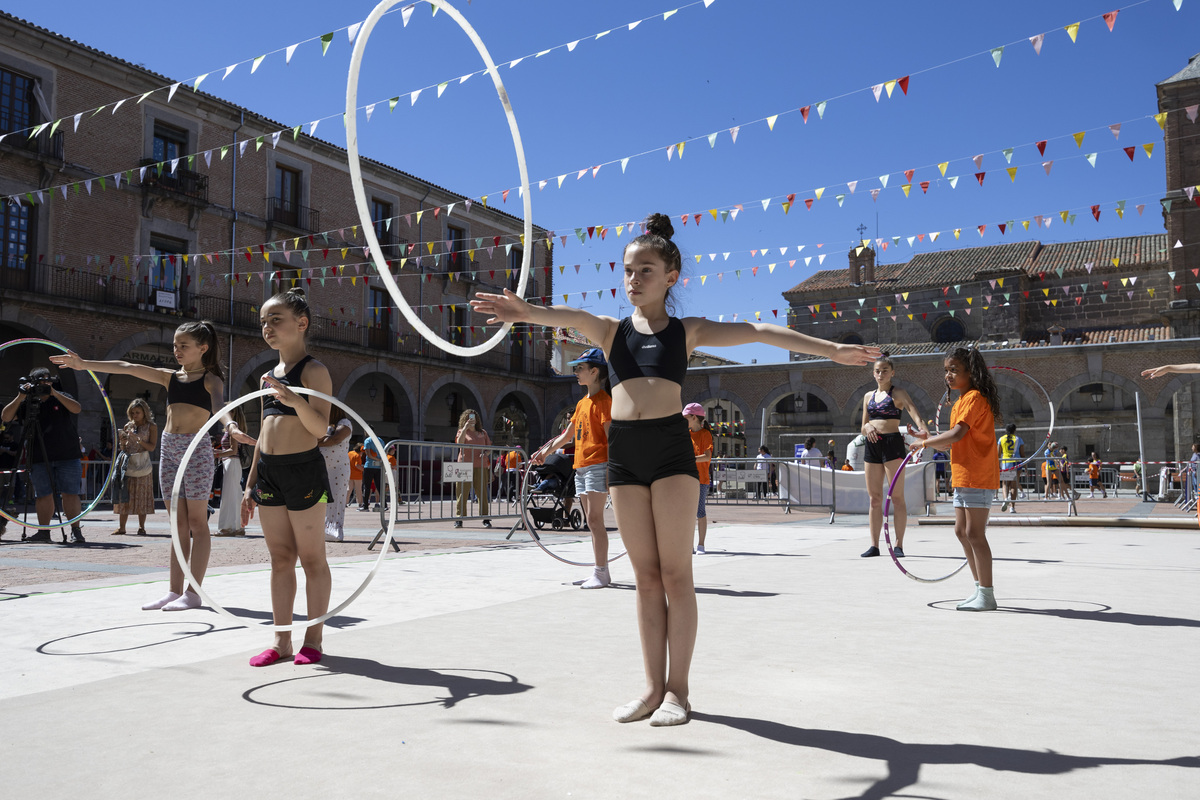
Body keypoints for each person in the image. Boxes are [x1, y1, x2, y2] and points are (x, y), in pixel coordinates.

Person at [471, 212, 878, 726]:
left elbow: (761, 331)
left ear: (671, 277)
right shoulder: (608, 330)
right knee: (643, 577)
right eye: (627, 270)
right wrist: (524, 309)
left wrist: (832, 349)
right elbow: (562, 316)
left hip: (669, 452)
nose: (633, 279)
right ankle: (650, 688)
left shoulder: (688, 331)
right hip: (623, 453)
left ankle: (678, 693)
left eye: (645, 270)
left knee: (674, 573)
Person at [52, 322, 236, 608]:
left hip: (196, 449)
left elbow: (219, 407)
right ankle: (174, 591)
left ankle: (194, 592)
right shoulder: (169, 377)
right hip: (171, 447)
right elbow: (127, 366)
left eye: (183, 346)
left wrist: (231, 426)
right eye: (175, 345)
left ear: (203, 348)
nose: (177, 351)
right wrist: (82, 363)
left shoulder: (211, 379)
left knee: (197, 522)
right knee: (178, 524)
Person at [238, 288, 334, 667]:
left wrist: (295, 399)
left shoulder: (313, 371)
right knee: (280, 559)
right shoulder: (269, 376)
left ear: (301, 324)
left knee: (312, 559)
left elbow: (320, 429)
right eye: (263, 321)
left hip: (304, 469)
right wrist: (250, 483)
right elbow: (264, 433)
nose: (267, 328)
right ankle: (281, 642)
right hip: (270, 474)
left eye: (275, 320)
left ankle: (314, 638)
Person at [910, 347, 1002, 611]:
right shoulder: (959, 402)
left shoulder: (974, 398)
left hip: (977, 474)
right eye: (946, 371)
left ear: (970, 373)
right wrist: (926, 440)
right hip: (963, 474)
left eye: (954, 370)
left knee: (974, 533)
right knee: (961, 531)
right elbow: (950, 443)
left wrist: (925, 442)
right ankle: (979, 589)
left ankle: (987, 593)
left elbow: (956, 435)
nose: (948, 376)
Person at [532, 347, 613, 588]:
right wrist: (544, 452)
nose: (576, 372)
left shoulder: (605, 402)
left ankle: (601, 572)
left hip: (598, 465)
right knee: (591, 520)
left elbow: (612, 439)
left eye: (580, 368)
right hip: (581, 466)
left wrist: (611, 470)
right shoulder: (582, 404)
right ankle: (599, 571)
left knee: (596, 520)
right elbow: (568, 435)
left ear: (595, 371)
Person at [1, 367, 85, 543]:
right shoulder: (28, 402)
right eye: (41, 382)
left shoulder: (61, 396)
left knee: (70, 493)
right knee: (43, 494)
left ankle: (75, 530)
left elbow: (76, 409)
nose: (45, 385)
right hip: (39, 455)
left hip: (67, 454)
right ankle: (44, 532)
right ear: (33, 383)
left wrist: (54, 392)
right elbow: (6, 417)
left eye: (49, 382)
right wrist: (21, 396)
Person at [859, 354, 929, 559]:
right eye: (877, 371)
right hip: (872, 446)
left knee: (897, 497)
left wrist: (928, 436)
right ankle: (874, 545)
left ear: (892, 372)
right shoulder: (867, 397)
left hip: (893, 445)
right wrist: (868, 425)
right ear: (873, 373)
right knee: (874, 499)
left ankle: (898, 544)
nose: (881, 374)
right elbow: (863, 427)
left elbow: (915, 414)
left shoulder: (898, 393)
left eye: (885, 371)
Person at [112, 398, 158, 536]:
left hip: (143, 464)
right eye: (132, 413)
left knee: (142, 496)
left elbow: (152, 447)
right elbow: (124, 448)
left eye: (137, 412)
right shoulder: (128, 426)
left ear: (144, 412)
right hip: (128, 464)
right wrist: (122, 442)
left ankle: (141, 527)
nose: (134, 416)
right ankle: (122, 527)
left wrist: (139, 440)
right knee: (124, 494)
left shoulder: (151, 426)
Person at [213, 407, 253, 537]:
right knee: (234, 495)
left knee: (229, 495)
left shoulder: (232, 426)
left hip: (231, 462)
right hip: (233, 463)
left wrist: (216, 453)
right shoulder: (234, 427)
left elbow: (233, 450)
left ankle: (226, 527)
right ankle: (237, 527)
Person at [319, 407, 354, 542]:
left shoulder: (345, 423)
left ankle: (334, 530)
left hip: (338, 468)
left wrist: (319, 441)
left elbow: (336, 439)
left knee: (336, 498)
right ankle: (320, 529)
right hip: (321, 468)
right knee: (320, 499)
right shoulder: (324, 425)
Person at [454, 409, 492, 528]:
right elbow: (459, 443)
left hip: (481, 465)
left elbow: (489, 448)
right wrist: (465, 428)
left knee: (482, 492)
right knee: (462, 492)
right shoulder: (461, 431)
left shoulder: (483, 432)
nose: (472, 419)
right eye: (469, 417)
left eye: (474, 417)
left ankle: (485, 518)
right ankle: (459, 518)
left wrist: (485, 453)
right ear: (465, 419)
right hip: (464, 465)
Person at [683, 404, 713, 554]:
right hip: (686, 479)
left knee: (700, 512)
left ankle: (701, 545)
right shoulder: (685, 434)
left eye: (686, 417)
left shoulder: (705, 434)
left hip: (701, 479)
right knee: (687, 513)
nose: (683, 420)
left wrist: (688, 459)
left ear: (694, 417)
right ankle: (689, 545)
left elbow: (707, 456)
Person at [997, 423, 1024, 513]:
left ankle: (1005, 499)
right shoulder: (1018, 439)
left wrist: (997, 465)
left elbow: (998, 454)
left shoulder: (1001, 439)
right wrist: (1025, 466)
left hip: (1006, 463)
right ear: (1014, 430)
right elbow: (1022, 454)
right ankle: (1012, 507)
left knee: (1005, 484)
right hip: (1016, 463)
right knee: (1014, 485)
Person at [359, 436, 382, 512]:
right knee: (379, 486)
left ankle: (365, 506)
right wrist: (379, 460)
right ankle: (384, 505)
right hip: (378, 466)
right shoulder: (380, 440)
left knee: (367, 486)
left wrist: (376, 459)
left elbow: (368, 454)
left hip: (369, 466)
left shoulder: (368, 440)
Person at [347, 443, 363, 508]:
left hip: (350, 474)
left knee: (349, 489)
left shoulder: (349, 453)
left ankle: (345, 503)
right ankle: (360, 503)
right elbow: (357, 465)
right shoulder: (357, 455)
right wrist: (363, 469)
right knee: (358, 490)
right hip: (357, 475)